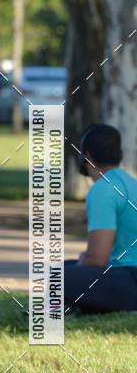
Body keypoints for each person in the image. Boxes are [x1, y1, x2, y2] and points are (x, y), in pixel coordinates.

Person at [65, 124, 137, 313]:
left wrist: (83, 262)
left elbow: (97, 259)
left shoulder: (102, 188)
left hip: (130, 280)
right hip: (128, 274)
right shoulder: (131, 183)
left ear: (87, 156)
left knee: (56, 276)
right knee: (67, 267)